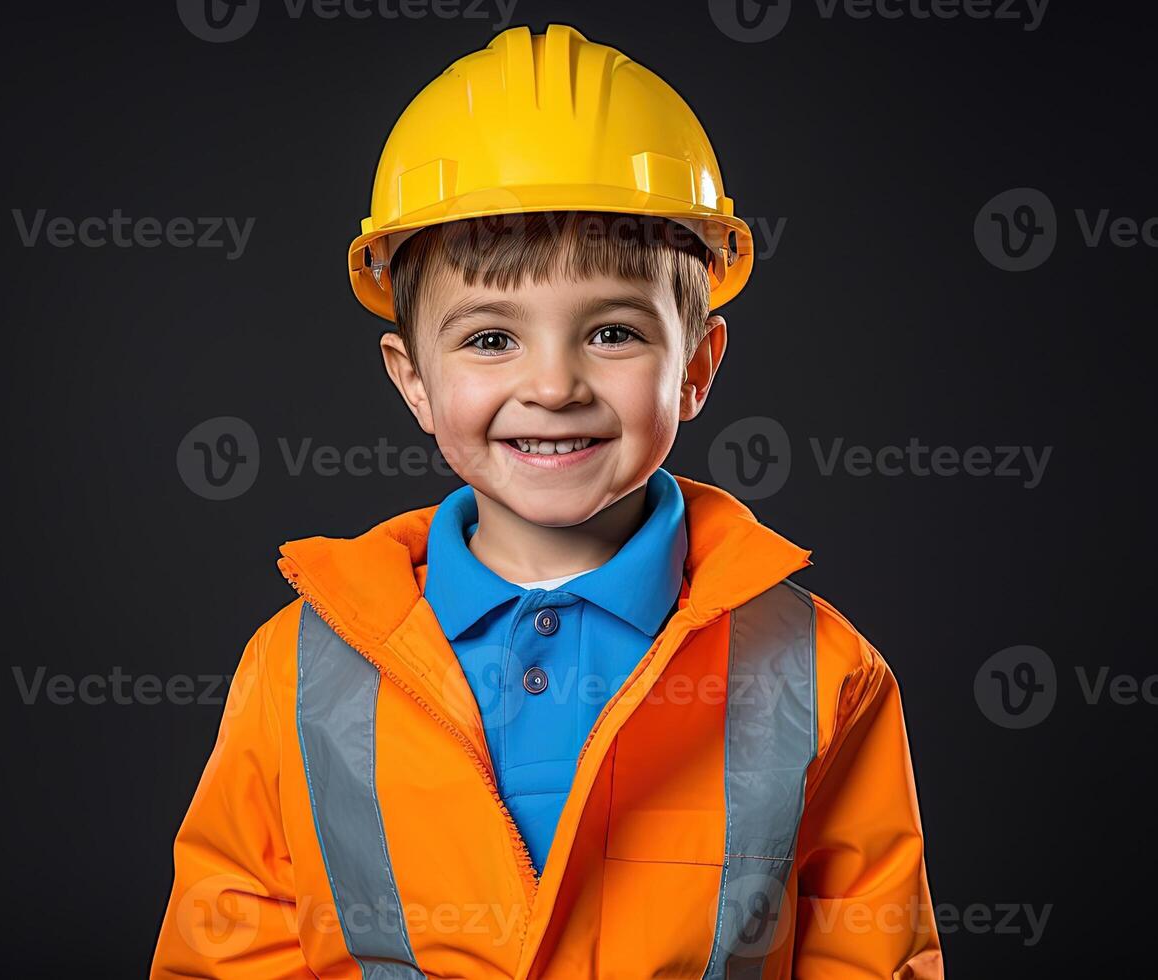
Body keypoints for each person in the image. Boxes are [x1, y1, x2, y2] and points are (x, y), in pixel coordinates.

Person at [151, 24, 941, 979]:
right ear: (414, 382)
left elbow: (866, 955)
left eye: (611, 332)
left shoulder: (818, 673)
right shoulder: (297, 670)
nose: (555, 385)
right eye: (491, 340)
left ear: (696, 368)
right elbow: (228, 945)